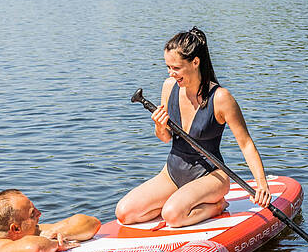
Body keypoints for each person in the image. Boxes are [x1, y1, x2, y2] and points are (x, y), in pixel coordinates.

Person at [115, 27, 271, 228]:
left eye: (176, 68)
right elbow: (165, 138)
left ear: (195, 62)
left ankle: (216, 205)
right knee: (124, 212)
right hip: (172, 173)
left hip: (211, 176)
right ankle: (181, 201)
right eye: (168, 67)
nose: (171, 73)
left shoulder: (221, 98)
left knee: (172, 215)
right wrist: (159, 125)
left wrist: (262, 184)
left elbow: (246, 144)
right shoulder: (169, 86)